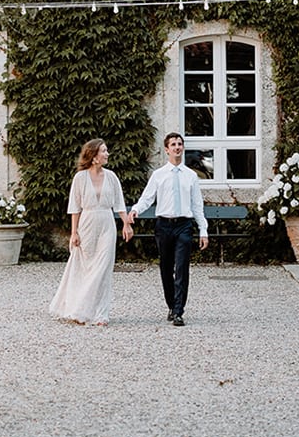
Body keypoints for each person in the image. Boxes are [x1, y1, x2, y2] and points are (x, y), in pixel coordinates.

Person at [49, 138, 133, 326]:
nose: (107, 154)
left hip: (106, 224)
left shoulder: (111, 177)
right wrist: (74, 232)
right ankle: (81, 307)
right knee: (85, 267)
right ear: (94, 156)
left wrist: (126, 224)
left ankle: (101, 313)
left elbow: (119, 203)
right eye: (104, 151)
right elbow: (74, 207)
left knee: (103, 269)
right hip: (86, 224)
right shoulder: (80, 178)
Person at [129, 132, 208, 326]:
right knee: (166, 268)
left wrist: (203, 230)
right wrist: (135, 210)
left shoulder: (191, 176)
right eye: (173, 144)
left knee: (182, 268)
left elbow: (197, 205)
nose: (177, 147)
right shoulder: (159, 175)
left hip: (184, 226)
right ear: (167, 149)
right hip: (164, 226)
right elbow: (148, 197)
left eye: (180, 144)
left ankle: (179, 311)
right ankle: (171, 306)